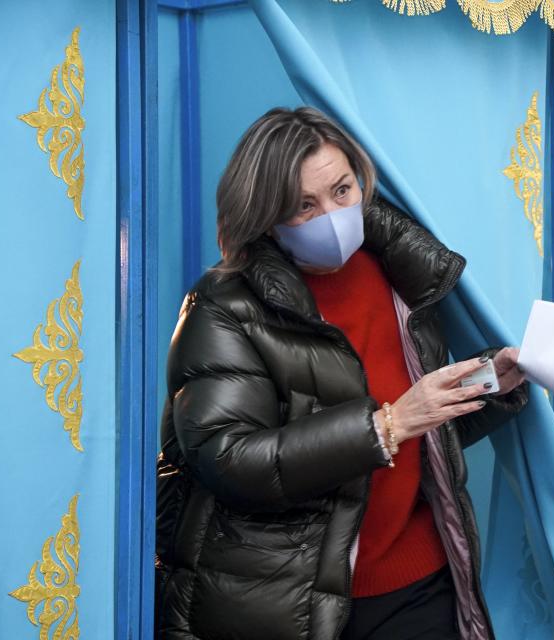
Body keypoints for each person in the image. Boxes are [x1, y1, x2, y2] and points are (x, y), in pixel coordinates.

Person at [155, 107, 528, 640]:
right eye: (303, 207)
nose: (330, 215)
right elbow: (228, 459)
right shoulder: (224, 306)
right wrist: (386, 426)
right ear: (265, 214)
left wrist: (490, 384)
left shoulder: (399, 275)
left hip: (420, 580)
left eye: (341, 191)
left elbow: (424, 434)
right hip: (288, 600)